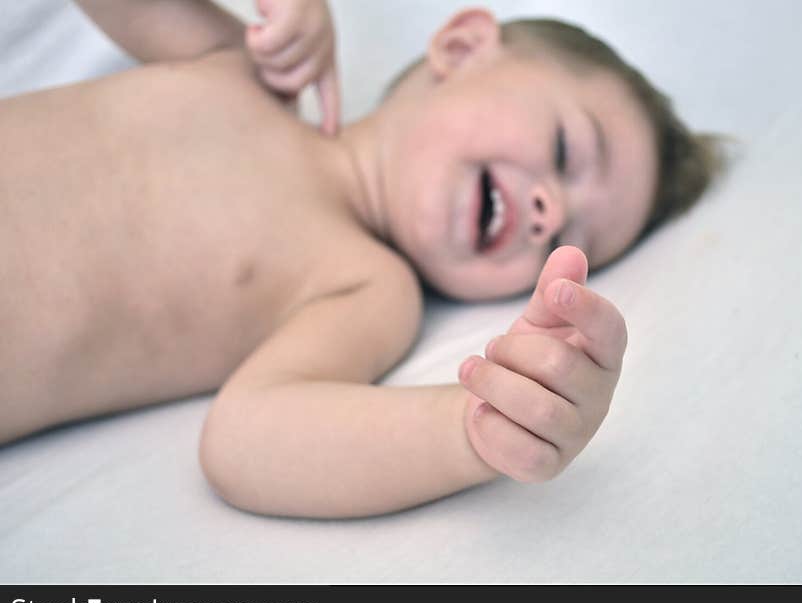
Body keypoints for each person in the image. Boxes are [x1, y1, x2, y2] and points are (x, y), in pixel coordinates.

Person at [0, 0, 722, 517]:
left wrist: (478, 424)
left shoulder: (365, 287)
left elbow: (249, 439)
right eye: (566, 151)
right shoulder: (234, 66)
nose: (551, 213)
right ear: (463, 47)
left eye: (576, 243)